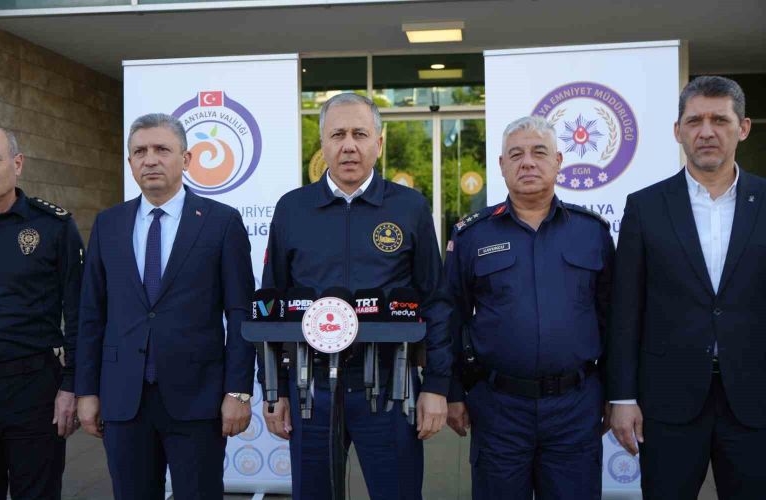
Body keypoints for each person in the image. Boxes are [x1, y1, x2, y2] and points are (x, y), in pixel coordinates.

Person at [260, 93, 452, 499]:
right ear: (323, 143)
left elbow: (437, 300)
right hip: (310, 387)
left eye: (360, 134)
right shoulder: (292, 209)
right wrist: (274, 389)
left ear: (378, 143)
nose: (349, 145)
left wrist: (436, 385)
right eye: (338, 135)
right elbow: (270, 307)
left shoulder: (410, 207)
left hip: (391, 384)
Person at [75, 113, 255, 499]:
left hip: (198, 400)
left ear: (186, 159)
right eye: (140, 151)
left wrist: (238, 391)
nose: (150, 160)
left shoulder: (221, 223)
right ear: (130, 162)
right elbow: (91, 314)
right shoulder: (108, 224)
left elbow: (241, 313)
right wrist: (85, 390)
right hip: (124, 399)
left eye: (162, 149)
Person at [608, 76, 765, 499]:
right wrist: (622, 397)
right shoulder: (645, 207)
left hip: (754, 400)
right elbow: (626, 309)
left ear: (743, 128)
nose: (706, 132)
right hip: (667, 402)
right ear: (678, 131)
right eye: (695, 121)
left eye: (720, 120)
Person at [446, 116, 614, 500]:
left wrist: (616, 394)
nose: (527, 163)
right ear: (502, 165)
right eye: (516, 154)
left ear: (558, 161)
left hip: (575, 407)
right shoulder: (473, 235)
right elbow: (451, 316)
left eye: (539, 152)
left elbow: (613, 320)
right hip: (498, 408)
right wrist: (452, 390)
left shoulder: (591, 232)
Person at [0, 126, 83, 499]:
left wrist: (73, 386)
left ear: (17, 165)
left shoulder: (54, 226)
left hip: (34, 393)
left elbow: (80, 313)